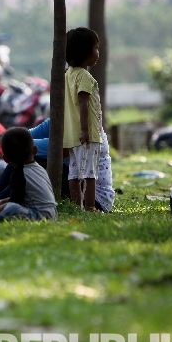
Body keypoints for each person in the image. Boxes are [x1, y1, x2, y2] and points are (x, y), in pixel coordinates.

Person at [64, 27, 109, 211]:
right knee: (90, 175)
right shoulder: (84, 76)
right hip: (87, 134)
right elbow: (84, 103)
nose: (98, 52)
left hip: (72, 135)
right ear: (86, 51)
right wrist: (85, 129)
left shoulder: (68, 74)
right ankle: (89, 208)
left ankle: (77, 207)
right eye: (96, 48)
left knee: (74, 174)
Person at [0, 127, 56, 222]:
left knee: (11, 208)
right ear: (35, 150)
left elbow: (13, 203)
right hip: (51, 213)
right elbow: (12, 199)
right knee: (0, 202)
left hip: (40, 216)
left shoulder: (19, 174)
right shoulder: (40, 168)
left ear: (5, 159)